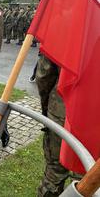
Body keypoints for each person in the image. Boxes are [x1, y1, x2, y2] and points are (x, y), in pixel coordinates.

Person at [36, 54, 70, 196]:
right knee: (87, 176)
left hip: (63, 109)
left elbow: (44, 74)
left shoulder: (67, 31)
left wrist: (46, 107)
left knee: (55, 171)